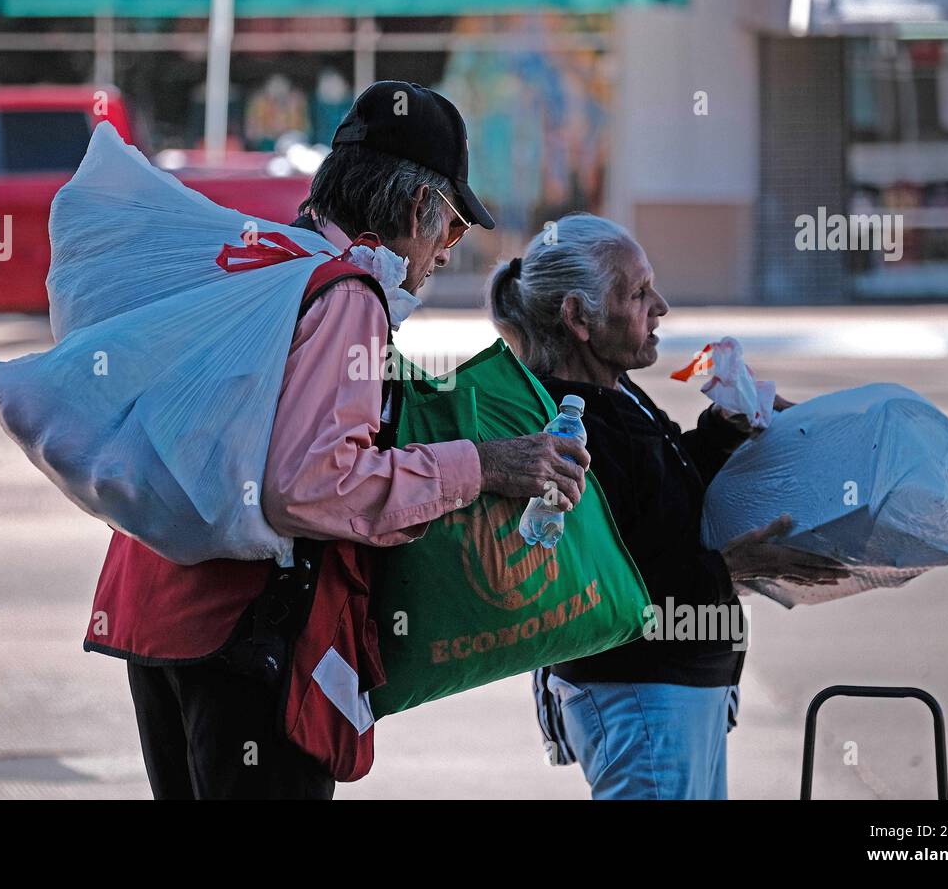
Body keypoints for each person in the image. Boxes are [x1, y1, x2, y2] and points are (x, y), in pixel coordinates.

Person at [83, 81, 591, 799]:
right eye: (451, 226)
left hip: (160, 617)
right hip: (246, 638)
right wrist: (481, 465)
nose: (447, 250)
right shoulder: (348, 295)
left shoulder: (268, 260)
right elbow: (312, 485)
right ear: (419, 207)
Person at [489, 213, 843, 800]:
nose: (661, 306)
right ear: (578, 317)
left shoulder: (614, 394)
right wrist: (735, 567)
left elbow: (662, 504)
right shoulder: (566, 427)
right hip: (640, 694)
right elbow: (601, 585)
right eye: (637, 293)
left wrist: (722, 429)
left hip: (677, 688)